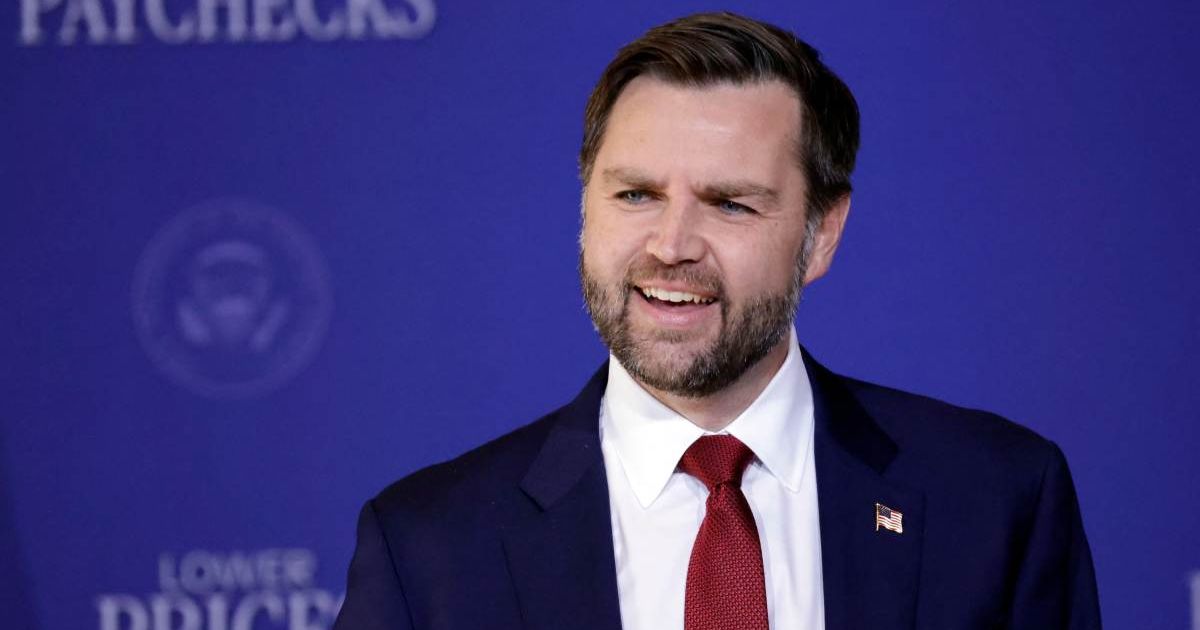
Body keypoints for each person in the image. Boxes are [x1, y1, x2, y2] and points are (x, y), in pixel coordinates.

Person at [333, 11, 1101, 630]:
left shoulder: (998, 501)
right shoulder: (427, 549)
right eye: (635, 195)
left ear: (822, 233)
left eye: (729, 204)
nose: (671, 247)